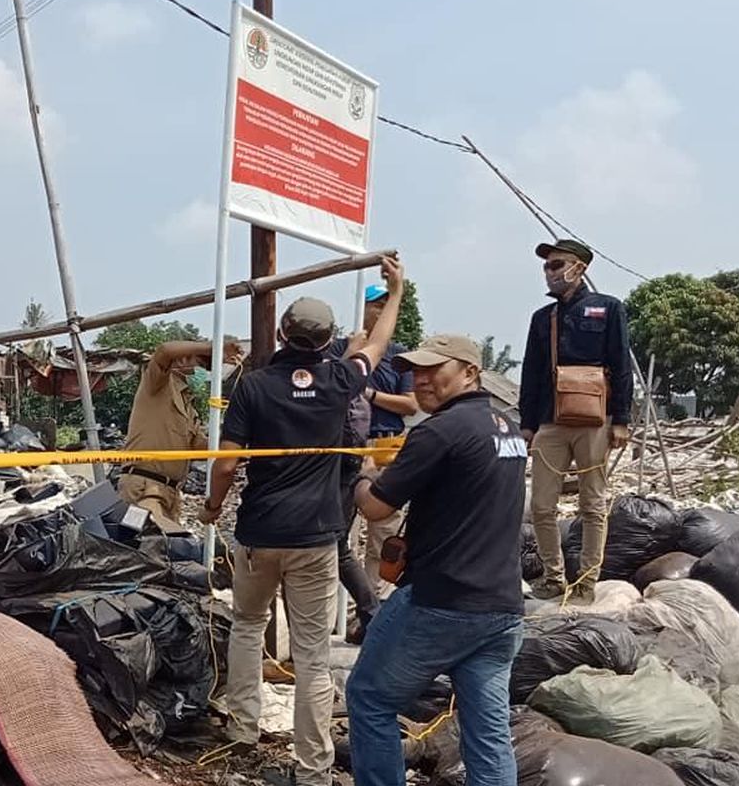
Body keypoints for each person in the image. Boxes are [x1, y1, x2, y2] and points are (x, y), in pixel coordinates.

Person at [200, 257, 405, 786]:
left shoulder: (253, 386)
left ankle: (243, 730)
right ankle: (313, 765)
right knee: (313, 656)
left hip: (258, 533)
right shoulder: (341, 379)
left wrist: (211, 507)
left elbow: (225, 464)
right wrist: (397, 292)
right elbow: (376, 348)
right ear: (330, 339)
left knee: (248, 626)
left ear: (281, 331)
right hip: (316, 537)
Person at [346, 334, 526, 786]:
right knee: (488, 732)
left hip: (441, 602)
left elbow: (376, 508)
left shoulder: (440, 430)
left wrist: (365, 475)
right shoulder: (506, 428)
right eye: (417, 371)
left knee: (369, 697)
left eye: (434, 369)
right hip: (501, 608)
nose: (422, 380)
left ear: (469, 372)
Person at [519, 239, 632, 604]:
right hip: (550, 421)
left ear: (579, 268)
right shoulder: (542, 318)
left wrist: (622, 420)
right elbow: (531, 374)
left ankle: (586, 581)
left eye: (557, 265)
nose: (550, 272)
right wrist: (527, 423)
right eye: (547, 266)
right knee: (541, 506)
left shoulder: (608, 309)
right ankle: (553, 577)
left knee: (593, 504)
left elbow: (621, 366)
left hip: (595, 421)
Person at [329, 285, 420, 625]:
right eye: (375, 305)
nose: (381, 311)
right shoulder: (342, 351)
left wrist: (369, 392)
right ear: (361, 308)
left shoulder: (399, 357)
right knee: (341, 536)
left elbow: (410, 404)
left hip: (385, 448)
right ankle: (349, 612)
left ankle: (374, 611)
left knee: (382, 534)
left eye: (386, 305)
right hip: (348, 449)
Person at [118, 338, 241, 533]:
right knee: (157, 544)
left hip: (170, 493)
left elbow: (201, 446)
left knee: (163, 552)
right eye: (201, 364)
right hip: (144, 487)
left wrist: (239, 448)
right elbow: (164, 351)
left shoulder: (187, 405)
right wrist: (213, 347)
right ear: (182, 359)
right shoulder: (158, 386)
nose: (202, 371)